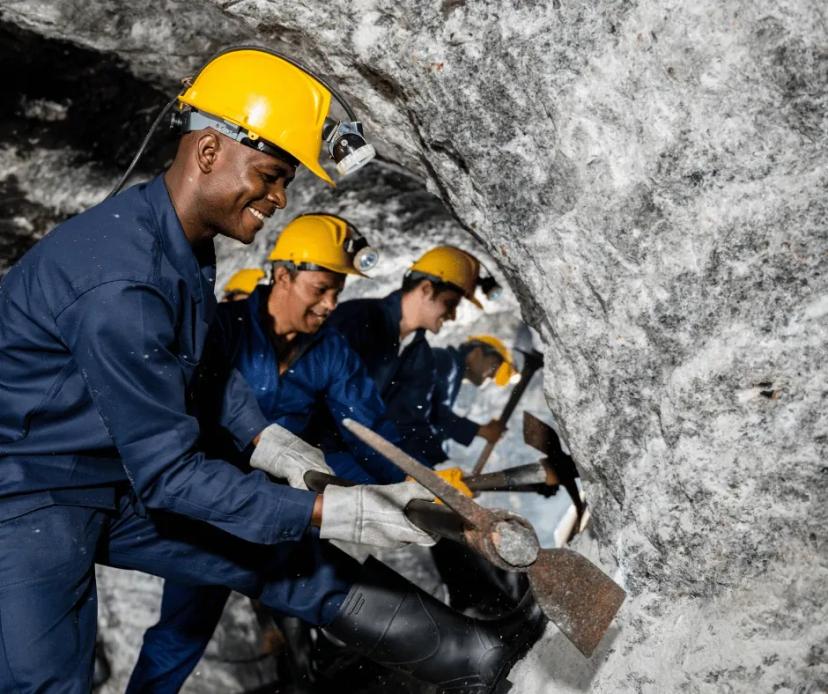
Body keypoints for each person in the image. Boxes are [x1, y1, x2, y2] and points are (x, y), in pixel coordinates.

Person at [0, 47, 543, 694]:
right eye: (269, 174)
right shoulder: (121, 285)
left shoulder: (175, 242)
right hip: (27, 493)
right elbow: (171, 474)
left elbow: (201, 365)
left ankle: (473, 659)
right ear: (208, 152)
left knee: (277, 557)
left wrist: (266, 440)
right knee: (47, 681)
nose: (279, 198)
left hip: (112, 473)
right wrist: (327, 510)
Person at [127, 213, 410, 692]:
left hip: (286, 502)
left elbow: (368, 428)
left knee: (320, 592)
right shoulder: (222, 327)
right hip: (212, 504)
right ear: (283, 275)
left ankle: (310, 678)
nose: (330, 304)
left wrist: (411, 486)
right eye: (320, 288)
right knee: (183, 630)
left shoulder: (332, 350)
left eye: (337, 292)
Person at [326, 245, 506, 465]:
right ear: (426, 289)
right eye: (449, 304)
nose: (452, 315)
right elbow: (312, 391)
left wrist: (435, 472)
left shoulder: (421, 357)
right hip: (312, 449)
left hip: (353, 457)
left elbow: (410, 422)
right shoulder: (356, 319)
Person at [428, 335, 517, 464]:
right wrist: (481, 431)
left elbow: (434, 422)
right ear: (476, 353)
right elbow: (433, 414)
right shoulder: (445, 360)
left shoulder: (452, 373)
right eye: (494, 366)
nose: (492, 376)